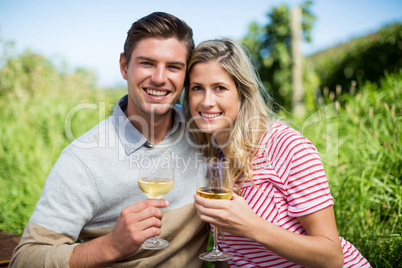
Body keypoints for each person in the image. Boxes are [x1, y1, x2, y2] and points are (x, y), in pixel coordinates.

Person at [11, 12, 208, 267]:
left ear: (186, 76)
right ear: (124, 66)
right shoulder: (83, 160)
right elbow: (25, 260)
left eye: (173, 67)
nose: (160, 78)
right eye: (147, 63)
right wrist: (111, 245)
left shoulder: (205, 134)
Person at [184, 38, 371, 267]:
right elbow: (231, 255)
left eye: (220, 88)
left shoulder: (286, 146)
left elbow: (332, 257)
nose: (207, 101)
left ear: (242, 93)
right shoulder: (216, 159)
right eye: (197, 88)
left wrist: (252, 226)